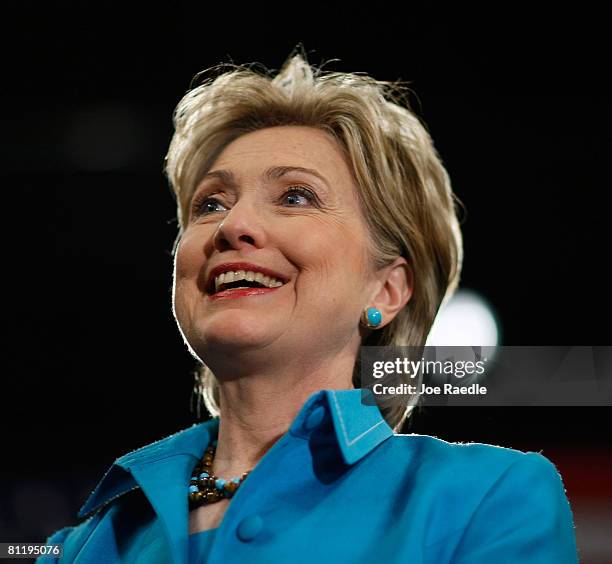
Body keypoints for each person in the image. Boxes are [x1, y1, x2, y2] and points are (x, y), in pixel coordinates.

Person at [39, 50, 579, 563]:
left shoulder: (485, 499)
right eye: (210, 204)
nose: (232, 226)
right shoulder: (78, 546)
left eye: (296, 196)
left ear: (386, 291)